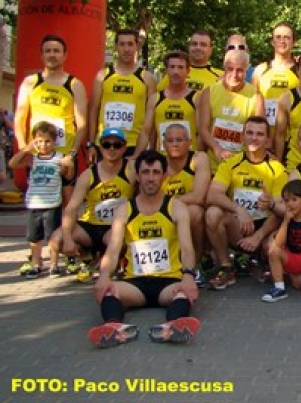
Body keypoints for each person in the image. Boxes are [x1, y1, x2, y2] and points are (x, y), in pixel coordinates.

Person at [87, 150, 200, 348]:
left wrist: (189, 276)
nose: (150, 178)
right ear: (137, 176)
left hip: (168, 283)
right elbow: (113, 251)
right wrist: (104, 275)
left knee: (183, 294)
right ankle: (114, 328)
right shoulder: (124, 210)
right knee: (109, 292)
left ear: (164, 176)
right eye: (145, 172)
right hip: (135, 284)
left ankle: (171, 327)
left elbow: (187, 248)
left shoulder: (177, 207)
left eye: (156, 172)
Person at [205, 116, 288, 290]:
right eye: (249, 133)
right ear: (242, 136)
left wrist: (259, 234)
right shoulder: (230, 164)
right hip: (240, 225)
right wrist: (238, 209)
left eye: (259, 134)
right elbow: (213, 194)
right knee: (213, 213)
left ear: (267, 140)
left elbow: (283, 211)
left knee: (275, 230)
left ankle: (263, 261)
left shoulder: (277, 169)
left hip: (265, 229)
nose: (254, 138)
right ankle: (226, 266)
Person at [49, 128, 136, 283]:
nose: (111, 149)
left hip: (116, 227)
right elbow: (71, 208)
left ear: (124, 148)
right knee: (57, 239)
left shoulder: (132, 169)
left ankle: (116, 262)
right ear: (99, 147)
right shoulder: (89, 174)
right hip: (90, 226)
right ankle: (88, 258)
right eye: (106, 144)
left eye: (116, 145)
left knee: (116, 240)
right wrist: (68, 239)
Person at [14, 34, 87, 204]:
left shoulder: (75, 84)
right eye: (48, 51)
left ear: (65, 55)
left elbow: (82, 124)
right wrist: (25, 149)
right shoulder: (30, 82)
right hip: (38, 154)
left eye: (56, 51)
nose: (52, 54)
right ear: (41, 55)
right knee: (38, 204)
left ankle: (66, 231)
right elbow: (19, 119)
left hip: (64, 154)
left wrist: (72, 154)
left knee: (68, 206)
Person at [9, 122, 74, 278]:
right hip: (34, 203)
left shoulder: (59, 158)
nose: (43, 145)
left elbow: (68, 177)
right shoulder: (32, 159)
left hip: (52, 203)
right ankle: (36, 263)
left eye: (47, 141)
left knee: (52, 237)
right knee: (34, 237)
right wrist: (26, 148)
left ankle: (54, 264)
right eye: (38, 141)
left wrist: (69, 165)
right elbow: (12, 163)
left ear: (53, 142)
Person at [87, 29, 156, 162]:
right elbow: (93, 110)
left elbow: (152, 117)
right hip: (105, 143)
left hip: (134, 145)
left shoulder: (147, 78)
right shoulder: (103, 75)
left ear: (137, 46)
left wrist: (151, 147)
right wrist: (91, 144)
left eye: (130, 44)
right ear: (116, 47)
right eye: (122, 44)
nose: (126, 49)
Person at [160, 124, 211, 286]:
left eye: (179, 140)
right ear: (163, 143)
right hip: (164, 214)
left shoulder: (198, 158)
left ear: (189, 142)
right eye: (170, 140)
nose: (174, 144)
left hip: (186, 212)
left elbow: (199, 196)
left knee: (194, 211)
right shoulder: (157, 163)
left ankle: (194, 264)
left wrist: (171, 204)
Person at [199, 49, 264, 173]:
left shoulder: (256, 95)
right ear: (224, 68)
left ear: (246, 71)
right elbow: (203, 129)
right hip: (214, 164)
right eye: (230, 69)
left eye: (240, 70)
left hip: (242, 166)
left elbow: (260, 131)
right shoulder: (210, 92)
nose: (234, 75)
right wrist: (216, 148)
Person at [135, 50, 198, 155]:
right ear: (166, 70)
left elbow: (201, 133)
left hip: (189, 161)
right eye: (172, 67)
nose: (176, 72)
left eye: (180, 67)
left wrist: (200, 158)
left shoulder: (197, 98)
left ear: (188, 71)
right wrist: (136, 156)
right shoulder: (155, 99)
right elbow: (146, 132)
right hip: (163, 161)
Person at [251, 22, 299, 139]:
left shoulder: (300, 71)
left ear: (294, 42)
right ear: (272, 42)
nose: (282, 41)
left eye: (287, 38)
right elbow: (252, 105)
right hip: (264, 136)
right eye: (278, 37)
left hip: (292, 137)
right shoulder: (260, 70)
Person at [157, 30, 222, 93]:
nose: (198, 48)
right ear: (189, 47)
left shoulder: (221, 76)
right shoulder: (174, 72)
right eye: (194, 44)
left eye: (203, 45)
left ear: (210, 50)